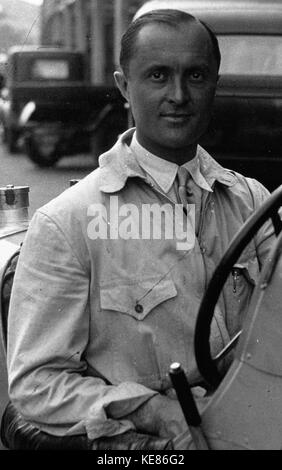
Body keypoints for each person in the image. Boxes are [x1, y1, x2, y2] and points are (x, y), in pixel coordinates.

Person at [6, 9, 273, 450]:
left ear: (215, 85)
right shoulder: (68, 223)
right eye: (157, 76)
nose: (179, 94)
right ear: (123, 87)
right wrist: (150, 410)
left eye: (196, 75)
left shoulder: (251, 201)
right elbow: (37, 384)